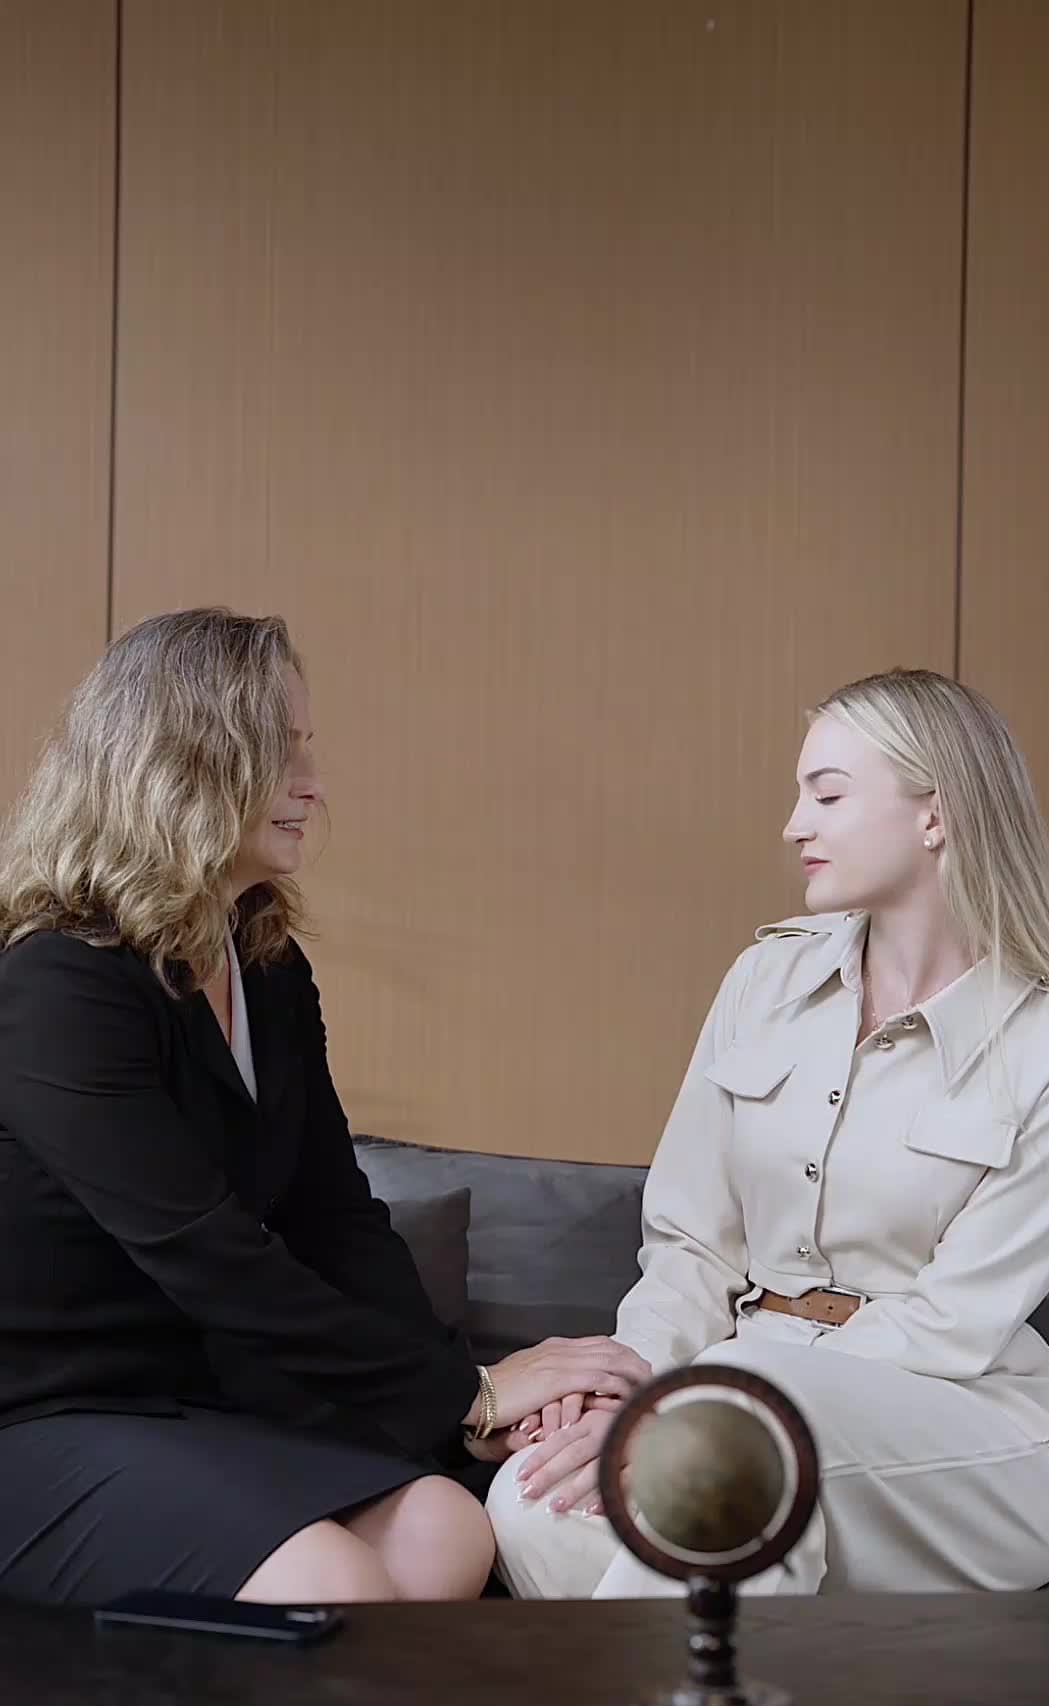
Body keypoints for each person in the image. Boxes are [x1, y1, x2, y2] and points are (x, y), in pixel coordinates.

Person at [0, 608, 649, 1608]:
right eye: (282, 750)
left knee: (447, 1531)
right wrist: (467, 1391)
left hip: (195, 1401)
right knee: (336, 1580)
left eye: (308, 748)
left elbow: (333, 1217)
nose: (313, 784)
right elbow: (206, 1253)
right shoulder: (56, 984)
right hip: (44, 1414)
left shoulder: (267, 967)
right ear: (184, 764)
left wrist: (461, 1400)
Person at [488, 667, 1049, 1598]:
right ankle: (727, 1684)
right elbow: (691, 1244)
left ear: (935, 814)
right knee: (536, 1495)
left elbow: (950, 1328)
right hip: (740, 1391)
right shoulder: (762, 984)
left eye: (827, 795)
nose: (794, 824)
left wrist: (696, 1407)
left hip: (968, 1435)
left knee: (735, 1441)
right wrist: (628, 1387)